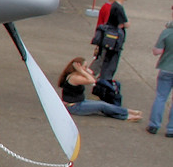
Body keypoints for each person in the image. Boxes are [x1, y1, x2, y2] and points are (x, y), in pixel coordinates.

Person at [58, 58, 142, 121]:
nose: (86, 68)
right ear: (78, 68)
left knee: (102, 104)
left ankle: (126, 112)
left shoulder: (76, 75)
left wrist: (85, 71)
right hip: (74, 106)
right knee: (101, 106)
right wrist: (82, 71)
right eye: (85, 66)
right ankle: (126, 115)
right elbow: (92, 81)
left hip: (80, 102)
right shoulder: (74, 78)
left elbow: (92, 78)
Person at [91, 0, 130, 81]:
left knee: (102, 59)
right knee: (104, 61)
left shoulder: (111, 6)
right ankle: (92, 76)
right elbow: (121, 24)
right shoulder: (116, 8)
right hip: (111, 39)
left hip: (107, 37)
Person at [148, 7, 173, 136]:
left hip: (166, 68)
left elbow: (156, 51)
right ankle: (171, 129)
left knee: (161, 97)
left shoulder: (167, 32)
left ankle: (154, 125)